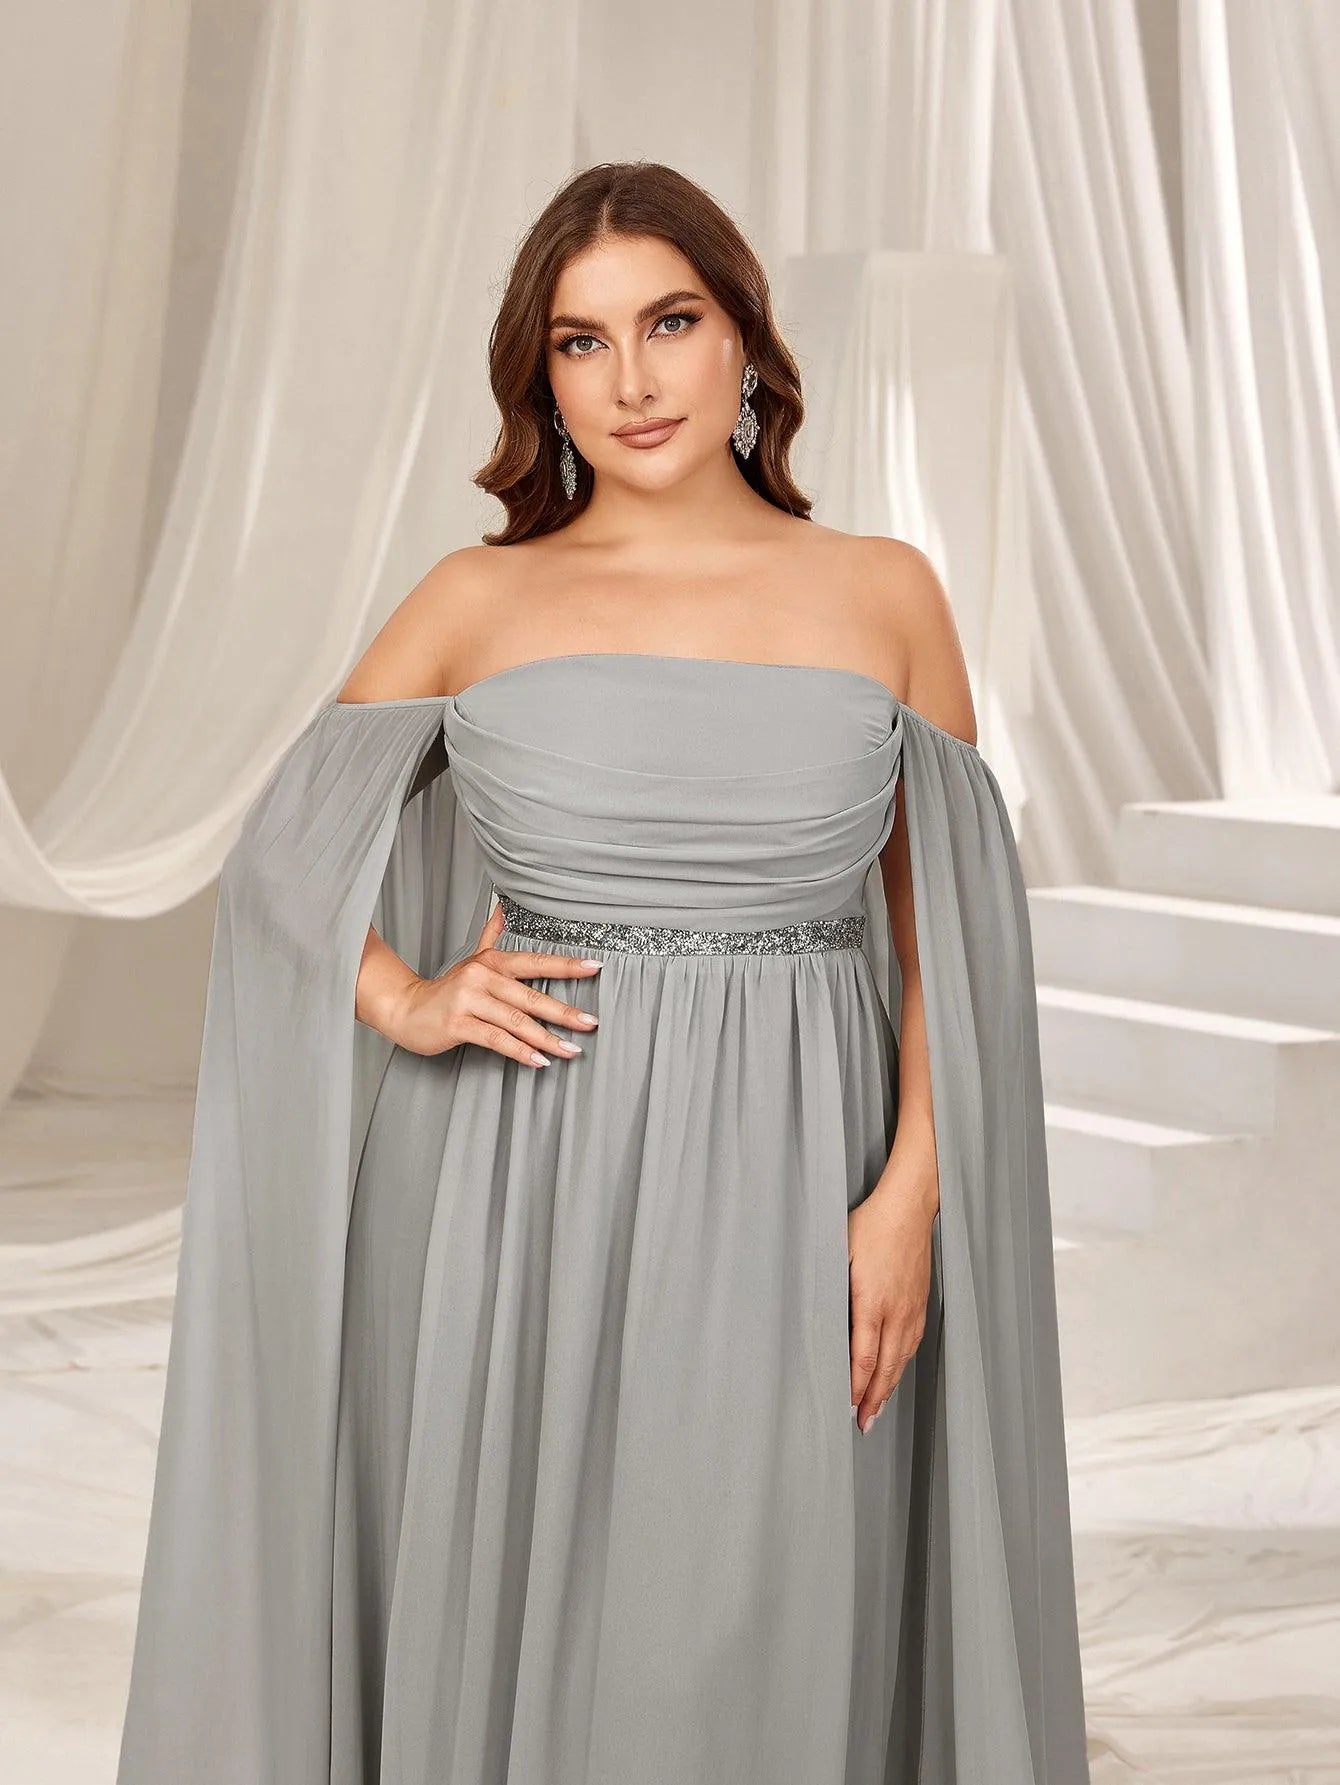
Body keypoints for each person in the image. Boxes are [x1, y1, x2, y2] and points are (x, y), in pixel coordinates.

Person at [116, 162, 1090, 1784]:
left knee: (766, 1605)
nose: (632, 379)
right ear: (543, 378)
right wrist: (409, 997)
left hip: (801, 1180)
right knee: (539, 1608)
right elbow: (285, 856)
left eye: (671, 322)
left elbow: (950, 943)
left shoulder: (884, 592)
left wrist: (910, 1190)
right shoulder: (480, 597)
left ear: (745, 340)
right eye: (582, 341)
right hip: (517, 1183)